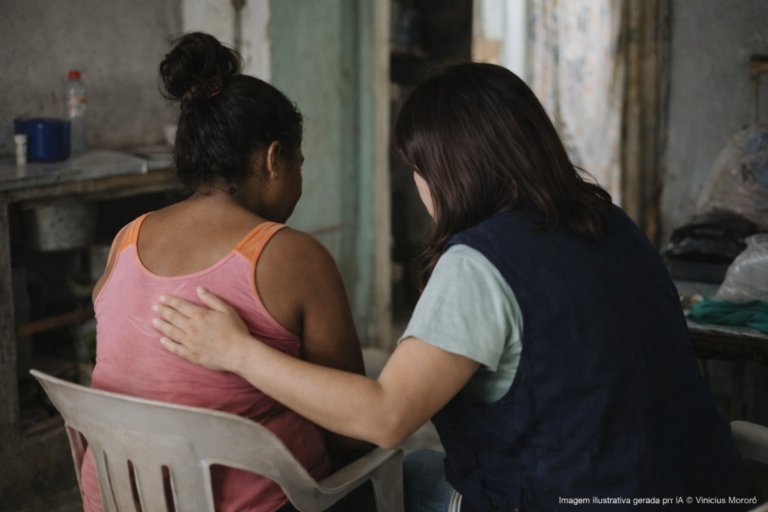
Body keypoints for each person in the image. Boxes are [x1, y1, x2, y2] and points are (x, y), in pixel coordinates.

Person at [152, 62, 756, 511]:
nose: (420, 188)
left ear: (447, 171)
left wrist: (237, 351)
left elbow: (386, 415)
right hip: (702, 487)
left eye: (417, 170)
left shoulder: (480, 263)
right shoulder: (609, 220)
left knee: (390, 479)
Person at [81, 32, 371, 512]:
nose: (299, 180)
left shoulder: (125, 240)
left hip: (116, 501)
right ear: (273, 160)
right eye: (298, 164)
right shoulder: (293, 256)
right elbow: (353, 432)